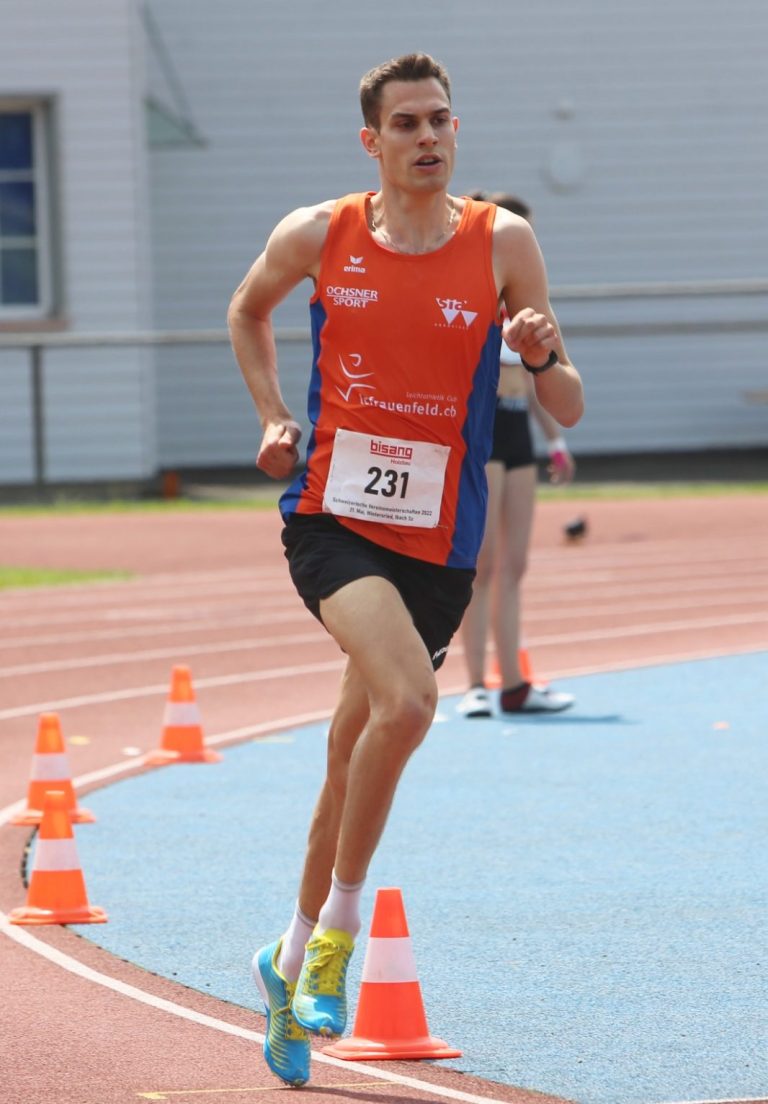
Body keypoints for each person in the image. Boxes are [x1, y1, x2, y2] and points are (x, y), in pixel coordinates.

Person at [227, 53, 584, 1087]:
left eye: (441, 121)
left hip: (441, 544)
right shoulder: (320, 234)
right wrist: (273, 417)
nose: (429, 138)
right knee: (413, 701)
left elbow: (566, 408)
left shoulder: (502, 242)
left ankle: (283, 966)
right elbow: (247, 311)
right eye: (407, 124)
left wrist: (540, 351)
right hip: (333, 519)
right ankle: (338, 938)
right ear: (372, 142)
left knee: (352, 755)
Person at [458, 192, 577, 719]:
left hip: (517, 433)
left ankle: (515, 684)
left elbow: (536, 382)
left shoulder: (530, 303)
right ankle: (475, 685)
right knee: (480, 567)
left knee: (515, 565)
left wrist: (555, 441)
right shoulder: (472, 292)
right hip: (482, 435)